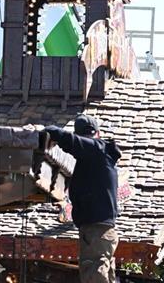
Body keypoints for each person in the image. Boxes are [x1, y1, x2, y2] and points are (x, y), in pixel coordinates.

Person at [45, 114, 122, 283]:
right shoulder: (99, 158)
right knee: (100, 272)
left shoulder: (97, 150)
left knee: (94, 273)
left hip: (96, 230)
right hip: (99, 230)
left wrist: (47, 130)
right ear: (98, 133)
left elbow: (70, 141)